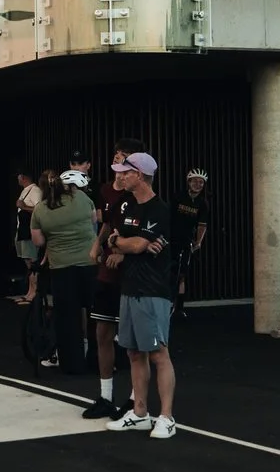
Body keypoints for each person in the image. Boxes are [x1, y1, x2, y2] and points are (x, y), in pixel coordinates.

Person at [101, 153, 178, 438]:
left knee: (158, 353)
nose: (119, 177)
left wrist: (129, 245)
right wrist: (121, 243)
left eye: (125, 172)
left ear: (140, 176)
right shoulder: (127, 206)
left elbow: (135, 245)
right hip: (129, 289)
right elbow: (119, 241)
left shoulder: (158, 209)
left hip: (152, 291)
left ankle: (167, 417)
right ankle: (140, 412)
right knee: (134, 352)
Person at [87, 139, 146, 410]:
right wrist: (97, 244)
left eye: (125, 161)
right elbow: (109, 221)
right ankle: (105, 396)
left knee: (134, 341)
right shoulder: (107, 191)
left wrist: (123, 251)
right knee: (102, 332)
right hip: (107, 275)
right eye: (117, 160)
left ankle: (135, 399)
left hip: (131, 276)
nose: (119, 167)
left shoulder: (142, 196)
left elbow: (146, 236)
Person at [29, 168, 97, 376]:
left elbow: (39, 241)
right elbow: (93, 221)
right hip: (89, 264)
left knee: (67, 318)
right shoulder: (83, 198)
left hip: (61, 268)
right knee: (95, 314)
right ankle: (98, 360)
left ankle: (72, 365)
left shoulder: (40, 210)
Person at [169, 168, 211, 312]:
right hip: (171, 239)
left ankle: (179, 308)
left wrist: (198, 242)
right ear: (189, 182)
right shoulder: (178, 197)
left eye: (201, 182)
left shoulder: (202, 203)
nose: (198, 184)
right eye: (195, 181)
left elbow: (202, 225)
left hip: (186, 241)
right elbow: (168, 217)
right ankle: (167, 302)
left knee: (182, 274)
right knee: (169, 271)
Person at [11, 169, 44, 304]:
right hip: (23, 231)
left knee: (32, 263)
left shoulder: (35, 190)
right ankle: (30, 292)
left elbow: (39, 210)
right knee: (28, 262)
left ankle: (34, 294)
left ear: (23, 177)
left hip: (30, 232)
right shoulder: (25, 190)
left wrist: (24, 207)